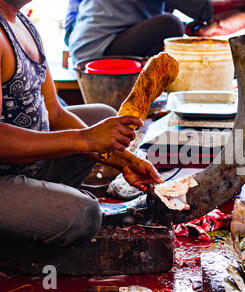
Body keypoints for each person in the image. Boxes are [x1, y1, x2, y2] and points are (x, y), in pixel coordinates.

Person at [0, 0, 163, 247]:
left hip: (29, 165)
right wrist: (86, 138)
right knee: (84, 214)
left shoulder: (24, 25)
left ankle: (40, 207)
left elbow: (54, 113)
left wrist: (122, 160)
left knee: (101, 117)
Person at [65, 0, 214, 65]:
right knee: (171, 25)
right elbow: (203, 8)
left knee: (173, 26)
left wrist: (188, 26)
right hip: (98, 49)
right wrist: (237, 8)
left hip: (88, 44)